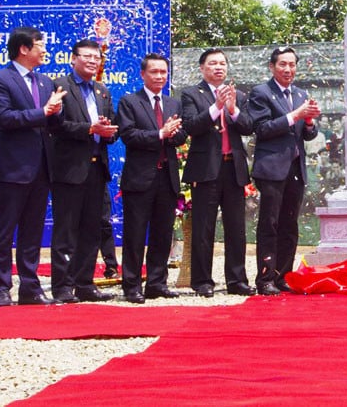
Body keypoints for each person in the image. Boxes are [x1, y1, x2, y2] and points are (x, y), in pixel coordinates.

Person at [0, 27, 65, 307]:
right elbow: (5, 118)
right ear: (23, 49)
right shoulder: (0, 78)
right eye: (40, 45)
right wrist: (43, 112)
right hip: (13, 167)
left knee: (33, 230)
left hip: (42, 166)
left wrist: (56, 111)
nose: (44, 50)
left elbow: (53, 124)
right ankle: (0, 288)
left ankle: (30, 288)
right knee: (5, 230)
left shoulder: (45, 81)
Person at [180, 48, 255, 297]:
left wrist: (232, 109)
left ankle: (237, 280)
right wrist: (216, 107)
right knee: (204, 227)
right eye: (213, 63)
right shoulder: (191, 94)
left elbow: (247, 127)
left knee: (236, 228)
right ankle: (202, 281)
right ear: (202, 68)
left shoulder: (239, 95)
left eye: (222, 63)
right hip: (205, 169)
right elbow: (191, 126)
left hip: (233, 168)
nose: (219, 68)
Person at [49, 39, 119, 303]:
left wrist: (108, 130)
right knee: (66, 229)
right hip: (69, 169)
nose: (92, 61)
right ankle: (62, 286)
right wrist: (90, 129)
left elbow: (111, 127)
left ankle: (85, 283)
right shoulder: (60, 86)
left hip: (97, 169)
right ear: (73, 59)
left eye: (96, 57)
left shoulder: (102, 91)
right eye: (86, 56)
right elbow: (56, 126)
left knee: (92, 228)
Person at [249, 46, 320, 296]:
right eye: (282, 64)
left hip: (295, 168)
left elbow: (309, 134)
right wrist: (295, 115)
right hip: (271, 169)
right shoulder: (261, 93)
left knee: (290, 224)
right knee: (270, 223)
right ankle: (265, 278)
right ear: (272, 67)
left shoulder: (300, 94)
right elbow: (262, 129)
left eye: (292, 65)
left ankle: (284, 275)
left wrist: (309, 120)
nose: (288, 69)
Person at [116, 53, 187, 303]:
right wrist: (160, 133)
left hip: (166, 177)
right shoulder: (129, 101)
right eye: (154, 72)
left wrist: (173, 133)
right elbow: (128, 135)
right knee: (135, 234)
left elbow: (180, 137)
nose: (159, 76)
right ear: (143, 74)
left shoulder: (172, 103)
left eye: (163, 72)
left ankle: (157, 283)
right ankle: (132, 285)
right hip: (139, 178)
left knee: (162, 233)